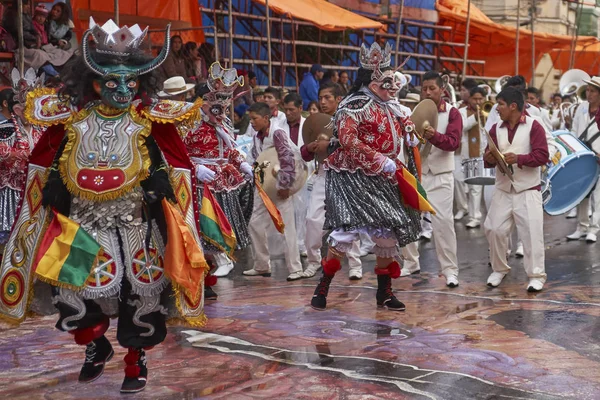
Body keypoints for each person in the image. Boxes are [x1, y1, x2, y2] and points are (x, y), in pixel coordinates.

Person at [0, 20, 208, 393]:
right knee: (70, 291)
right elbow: (56, 163)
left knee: (141, 294)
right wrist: (53, 192)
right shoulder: (73, 122)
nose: (123, 88)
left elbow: (165, 165)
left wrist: (158, 187)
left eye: (131, 81)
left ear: (143, 83)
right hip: (82, 222)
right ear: (94, 84)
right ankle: (95, 345)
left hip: (135, 224)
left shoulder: (149, 122)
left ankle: (135, 360)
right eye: (113, 81)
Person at [308, 42, 422, 311]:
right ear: (373, 80)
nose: (392, 85)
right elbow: (348, 141)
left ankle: (384, 293)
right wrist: (379, 160)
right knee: (346, 233)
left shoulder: (392, 107)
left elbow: (403, 139)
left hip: (385, 177)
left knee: (386, 235)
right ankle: (323, 286)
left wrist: (409, 135)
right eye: (386, 79)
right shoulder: (354, 105)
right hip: (354, 175)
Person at [183, 63, 254, 281]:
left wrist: (241, 163)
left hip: (222, 176)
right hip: (200, 179)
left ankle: (224, 257)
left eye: (225, 100)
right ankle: (214, 259)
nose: (221, 106)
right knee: (205, 220)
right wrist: (196, 169)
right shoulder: (189, 121)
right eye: (217, 100)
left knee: (226, 218)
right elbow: (177, 152)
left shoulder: (223, 121)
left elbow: (230, 148)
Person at [400, 71, 462, 288]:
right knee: (406, 217)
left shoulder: (453, 113)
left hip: (441, 176)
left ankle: (450, 270)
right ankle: (410, 262)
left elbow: (453, 143)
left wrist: (432, 135)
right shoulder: (411, 112)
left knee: (443, 224)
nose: (426, 92)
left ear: (442, 90)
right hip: (418, 172)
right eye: (423, 88)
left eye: (431, 88)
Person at [483, 87, 549, 292]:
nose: (497, 109)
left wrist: (519, 159)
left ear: (513, 106)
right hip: (503, 189)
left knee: (531, 233)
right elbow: (487, 155)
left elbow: (542, 156)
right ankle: (499, 269)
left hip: (528, 189)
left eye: (500, 105)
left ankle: (536, 275)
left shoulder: (534, 126)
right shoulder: (495, 128)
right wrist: (489, 158)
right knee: (494, 229)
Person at [300, 83, 364, 280]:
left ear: (339, 99)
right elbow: (304, 153)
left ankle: (355, 264)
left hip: (346, 175)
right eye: (321, 98)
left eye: (328, 97)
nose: (323, 102)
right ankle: (313, 261)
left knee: (348, 221)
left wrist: (329, 146)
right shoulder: (316, 121)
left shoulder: (350, 119)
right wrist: (310, 148)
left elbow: (355, 147)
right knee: (312, 219)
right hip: (323, 174)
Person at [243, 102, 304, 281]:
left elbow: (287, 159)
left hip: (281, 183)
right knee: (254, 222)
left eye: (254, 119)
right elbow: (255, 157)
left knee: (286, 226)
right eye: (250, 119)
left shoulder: (278, 132)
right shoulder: (256, 136)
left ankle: (295, 268)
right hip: (264, 183)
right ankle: (262, 265)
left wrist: (285, 186)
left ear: (265, 118)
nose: (252, 122)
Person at [566, 76, 600, 243]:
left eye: (593, 91)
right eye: (587, 90)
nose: (588, 93)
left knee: (598, 196)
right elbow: (574, 129)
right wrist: (572, 149)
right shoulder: (581, 108)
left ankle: (594, 229)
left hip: (599, 157)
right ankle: (581, 227)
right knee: (582, 193)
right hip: (582, 156)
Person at [458, 86, 487, 229]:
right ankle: (466, 210)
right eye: (475, 98)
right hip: (466, 153)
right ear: (469, 99)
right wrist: (475, 117)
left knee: (476, 187)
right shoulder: (462, 112)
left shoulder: (488, 111)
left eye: (481, 99)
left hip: (482, 154)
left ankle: (475, 216)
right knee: (465, 186)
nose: (478, 101)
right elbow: (461, 127)